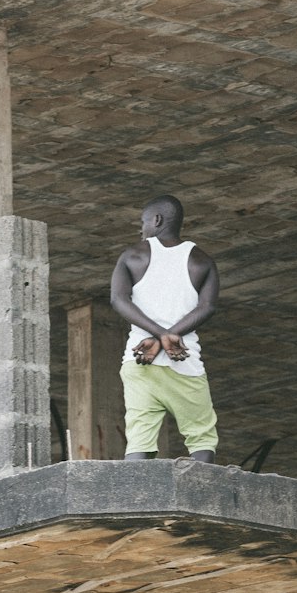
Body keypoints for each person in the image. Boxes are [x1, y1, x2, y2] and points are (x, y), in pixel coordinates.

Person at [110, 195, 219, 462]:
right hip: (184, 361)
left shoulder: (133, 256)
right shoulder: (202, 261)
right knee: (201, 437)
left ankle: (134, 500)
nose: (141, 229)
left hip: (140, 360)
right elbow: (207, 307)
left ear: (156, 220)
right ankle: (199, 496)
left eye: (143, 222)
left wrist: (157, 336)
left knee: (139, 440)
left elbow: (118, 300)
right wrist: (169, 336)